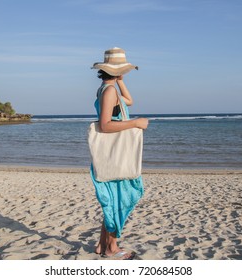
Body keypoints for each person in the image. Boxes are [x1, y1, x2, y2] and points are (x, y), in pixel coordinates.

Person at [90, 47, 149, 260]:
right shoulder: (109, 91)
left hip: (111, 152)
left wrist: (121, 80)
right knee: (121, 198)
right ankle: (112, 249)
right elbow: (105, 125)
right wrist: (136, 123)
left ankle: (100, 245)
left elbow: (129, 102)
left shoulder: (107, 88)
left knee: (113, 200)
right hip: (114, 154)